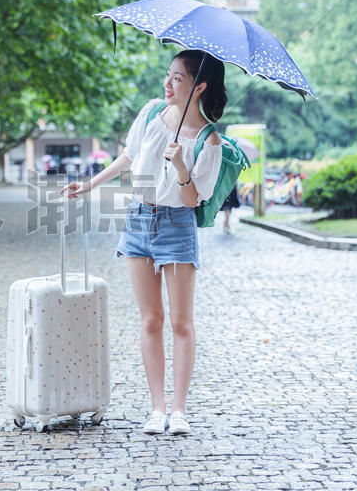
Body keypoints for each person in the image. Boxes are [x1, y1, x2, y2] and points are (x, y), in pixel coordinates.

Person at [60, 50, 226, 436]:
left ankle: (179, 411)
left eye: (178, 79)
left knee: (181, 322)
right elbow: (128, 157)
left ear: (199, 86)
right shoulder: (153, 112)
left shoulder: (209, 139)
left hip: (176, 224)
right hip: (138, 218)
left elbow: (192, 200)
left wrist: (182, 167)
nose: (167, 85)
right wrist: (88, 186)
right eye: (167, 76)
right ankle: (157, 408)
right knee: (151, 319)